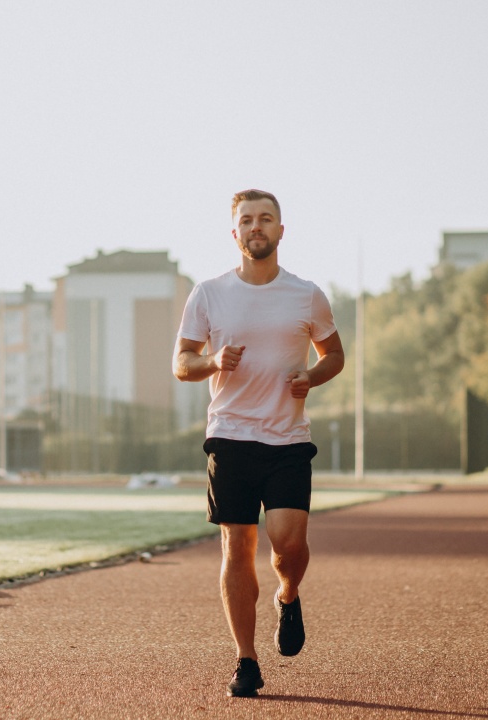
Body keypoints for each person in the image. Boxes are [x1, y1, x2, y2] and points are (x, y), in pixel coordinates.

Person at [173, 189, 345, 698]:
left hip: (288, 438)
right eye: (247, 220)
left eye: (265, 219)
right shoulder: (209, 294)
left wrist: (311, 377)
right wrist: (213, 361)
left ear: (280, 230)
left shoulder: (306, 294)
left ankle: (288, 595)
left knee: (288, 545)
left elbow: (334, 354)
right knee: (238, 545)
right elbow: (182, 363)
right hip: (230, 436)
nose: (256, 227)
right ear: (235, 233)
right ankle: (245, 660)